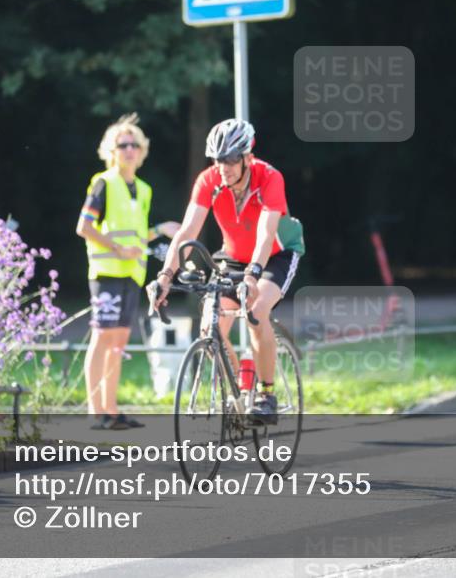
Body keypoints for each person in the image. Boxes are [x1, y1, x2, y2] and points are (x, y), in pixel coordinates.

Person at [150, 119, 305, 425]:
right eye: (218, 160)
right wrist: (165, 276)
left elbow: (265, 232)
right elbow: (187, 232)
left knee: (256, 311)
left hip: (275, 254)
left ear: (248, 156)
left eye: (232, 159)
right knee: (210, 328)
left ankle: (266, 393)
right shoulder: (209, 180)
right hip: (232, 256)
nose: (225, 167)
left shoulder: (269, 178)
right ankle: (238, 392)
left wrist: (253, 275)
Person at [76, 113, 179, 431]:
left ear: (143, 150)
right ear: (112, 150)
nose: (130, 149)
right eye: (123, 145)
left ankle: (112, 408)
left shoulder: (144, 189)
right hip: (107, 271)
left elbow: (134, 235)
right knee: (102, 337)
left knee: (119, 340)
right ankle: (97, 410)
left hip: (132, 275)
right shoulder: (103, 183)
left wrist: (160, 229)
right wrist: (119, 250)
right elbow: (84, 227)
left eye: (135, 144)